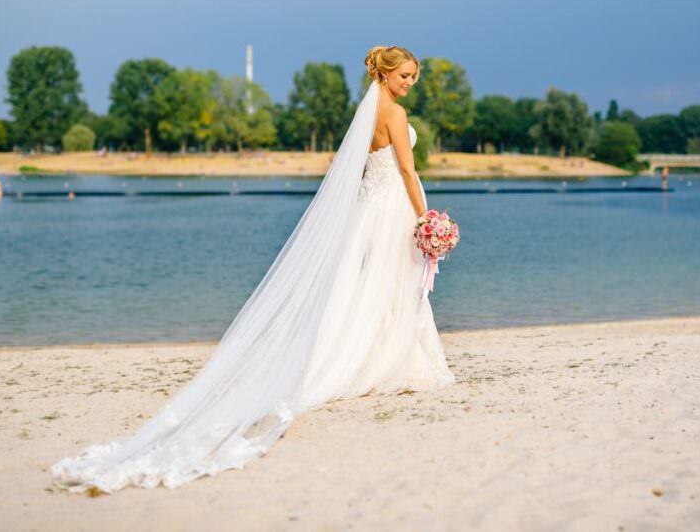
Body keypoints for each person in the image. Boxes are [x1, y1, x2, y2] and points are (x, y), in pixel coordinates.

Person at [50, 45, 455, 493]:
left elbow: (355, 167)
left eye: (414, 78)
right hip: (392, 206)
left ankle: (371, 353)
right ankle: (384, 359)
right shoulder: (394, 114)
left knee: (370, 285)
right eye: (405, 76)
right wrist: (427, 216)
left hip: (370, 210)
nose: (409, 84)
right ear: (387, 73)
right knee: (388, 285)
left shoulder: (368, 110)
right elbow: (405, 168)